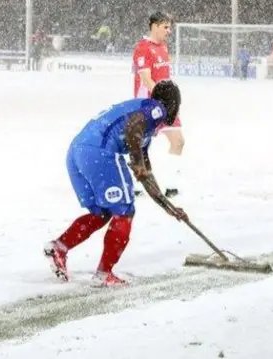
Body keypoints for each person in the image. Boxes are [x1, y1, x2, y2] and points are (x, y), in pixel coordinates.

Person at [43, 80, 188, 287]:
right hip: (100, 152)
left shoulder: (144, 124)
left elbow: (146, 175)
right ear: (173, 103)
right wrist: (136, 160)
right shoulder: (155, 108)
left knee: (102, 212)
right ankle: (104, 275)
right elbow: (133, 128)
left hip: (77, 152)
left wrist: (169, 208)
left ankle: (59, 247)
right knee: (124, 211)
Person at [131, 11, 183, 198]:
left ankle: (171, 187)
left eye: (170, 27)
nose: (169, 31)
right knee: (142, 146)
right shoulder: (142, 48)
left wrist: (169, 100)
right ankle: (136, 186)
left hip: (166, 104)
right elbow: (146, 79)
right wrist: (160, 99)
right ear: (154, 26)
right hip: (148, 104)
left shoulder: (164, 47)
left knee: (178, 141)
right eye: (165, 27)